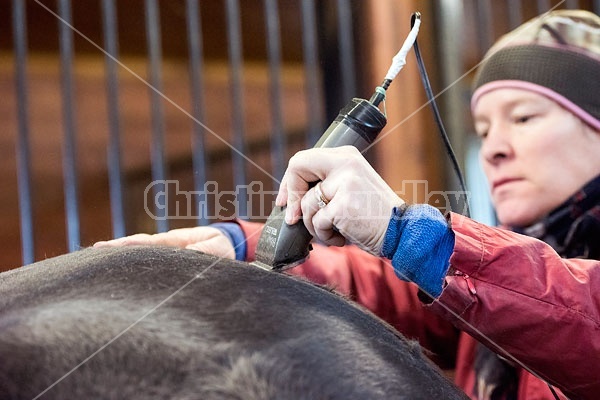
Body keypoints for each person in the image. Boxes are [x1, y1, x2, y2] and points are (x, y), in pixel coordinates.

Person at [95, 10, 600, 400]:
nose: (493, 147)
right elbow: (387, 289)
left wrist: (407, 232)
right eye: (484, 128)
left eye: (524, 118)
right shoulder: (493, 284)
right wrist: (244, 247)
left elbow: (582, 317)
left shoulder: (531, 279)